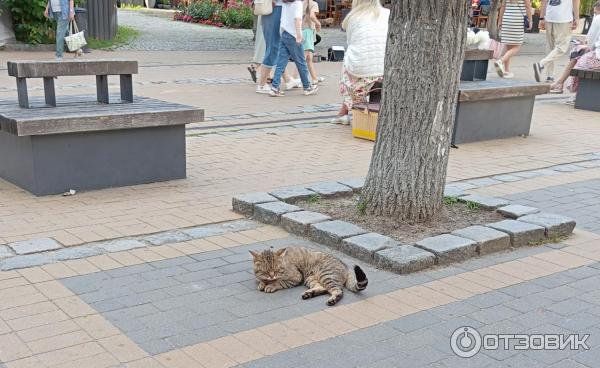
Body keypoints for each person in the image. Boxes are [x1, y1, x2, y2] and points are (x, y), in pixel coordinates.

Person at [331, 0, 389, 125]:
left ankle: (345, 112)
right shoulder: (388, 14)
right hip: (385, 69)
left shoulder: (353, 18)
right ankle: (344, 112)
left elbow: (351, 42)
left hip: (361, 74)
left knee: (349, 58)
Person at [269, 0, 319, 96]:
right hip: (293, 35)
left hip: (284, 33)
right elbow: (297, 19)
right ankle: (307, 87)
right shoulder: (297, 4)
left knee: (281, 63)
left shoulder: (285, 2)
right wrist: (299, 35)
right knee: (301, 62)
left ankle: (274, 87)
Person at [551, 1, 600, 94]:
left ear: (598, 9)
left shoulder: (598, 19)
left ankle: (563, 85)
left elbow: (590, 42)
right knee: (579, 53)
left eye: (595, 12)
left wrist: (585, 44)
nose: (594, 15)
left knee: (577, 54)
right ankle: (559, 83)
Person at [534, 0, 581, 82]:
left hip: (549, 16)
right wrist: (577, 18)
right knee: (561, 48)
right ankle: (541, 64)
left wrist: (541, 18)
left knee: (550, 47)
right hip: (563, 18)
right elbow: (576, 1)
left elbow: (544, 1)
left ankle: (550, 76)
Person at [494, 0, 533, 79]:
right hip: (517, 20)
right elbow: (528, 7)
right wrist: (530, 20)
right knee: (517, 46)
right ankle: (501, 61)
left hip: (507, 19)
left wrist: (500, 21)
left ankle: (506, 71)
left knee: (508, 46)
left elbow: (503, 7)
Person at [302, 0, 324, 85]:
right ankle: (294, 78)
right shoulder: (314, 4)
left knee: (309, 58)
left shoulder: (303, 2)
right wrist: (318, 23)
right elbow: (312, 15)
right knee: (303, 58)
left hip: (303, 30)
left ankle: (314, 78)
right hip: (308, 31)